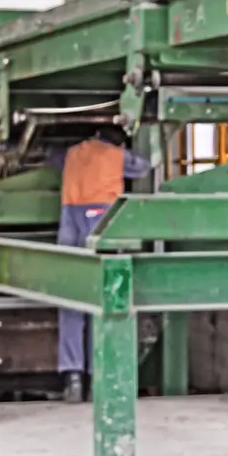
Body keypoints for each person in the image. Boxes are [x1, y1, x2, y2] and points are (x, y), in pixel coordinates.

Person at [47, 126, 153, 402]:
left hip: (70, 227)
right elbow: (144, 167)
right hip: (101, 225)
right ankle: (98, 379)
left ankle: (72, 378)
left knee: (71, 302)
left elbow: (51, 157)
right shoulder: (116, 155)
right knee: (102, 302)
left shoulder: (72, 153)